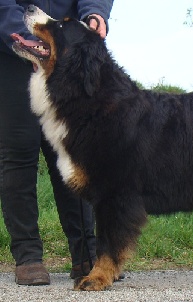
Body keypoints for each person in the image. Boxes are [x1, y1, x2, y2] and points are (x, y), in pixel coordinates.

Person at [0, 0, 113, 286]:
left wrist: (95, 12)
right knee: (18, 152)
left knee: (72, 151)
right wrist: (21, 33)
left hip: (64, 47)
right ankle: (28, 257)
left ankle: (86, 254)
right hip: (13, 45)